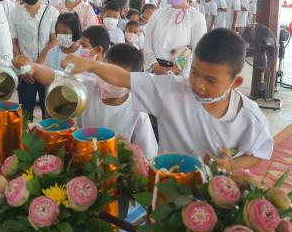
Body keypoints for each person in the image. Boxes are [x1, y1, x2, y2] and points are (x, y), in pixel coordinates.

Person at [60, 28, 274, 170]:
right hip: (166, 186)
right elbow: (125, 78)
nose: (198, 84)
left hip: (214, 196)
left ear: (234, 83)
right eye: (195, 73)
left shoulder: (248, 116)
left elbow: (258, 152)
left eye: (211, 80)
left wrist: (230, 165)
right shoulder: (171, 90)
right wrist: (91, 65)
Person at [13, 43, 158, 159]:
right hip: (81, 158)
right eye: (105, 75)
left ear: (131, 82)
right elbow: (51, 76)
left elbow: (147, 155)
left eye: (116, 79)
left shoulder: (138, 111)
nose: (107, 82)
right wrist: (31, 67)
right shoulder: (89, 86)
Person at [9, 0, 59, 120]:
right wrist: (23, 67)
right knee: (25, 113)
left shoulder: (52, 12)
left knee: (49, 111)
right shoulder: (15, 13)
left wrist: (37, 65)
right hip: (24, 72)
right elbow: (13, 42)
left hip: (47, 68)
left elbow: (54, 40)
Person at [143, 0, 207, 76]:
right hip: (153, 70)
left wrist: (175, 68)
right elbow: (147, 43)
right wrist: (155, 66)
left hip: (179, 74)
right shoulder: (158, 13)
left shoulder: (196, 18)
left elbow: (197, 51)